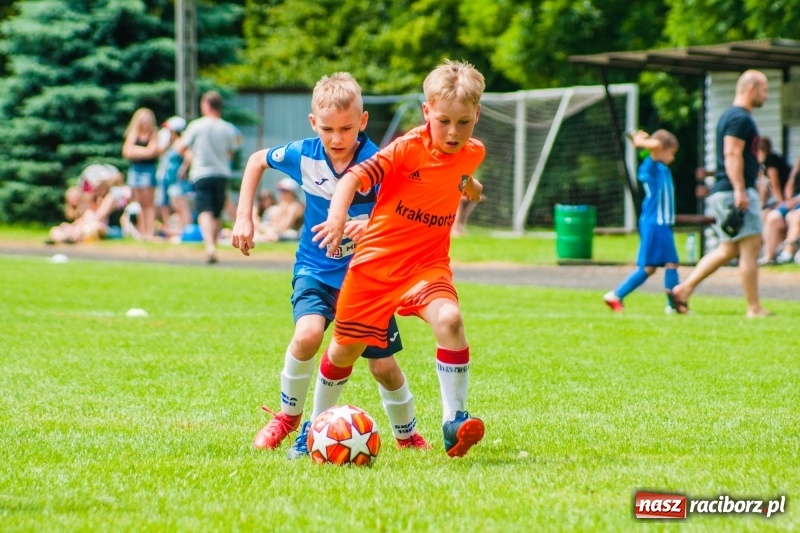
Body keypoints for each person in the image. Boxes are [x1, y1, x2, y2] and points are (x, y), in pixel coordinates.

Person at [231, 72, 430, 457]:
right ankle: (289, 419)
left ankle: (407, 436)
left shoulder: (380, 162)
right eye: (327, 129)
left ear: (363, 121)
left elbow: (406, 212)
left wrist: (370, 225)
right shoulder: (305, 155)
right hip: (315, 270)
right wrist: (244, 216)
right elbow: (256, 161)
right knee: (307, 335)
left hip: (368, 278)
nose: (337, 139)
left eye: (346, 129)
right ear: (312, 124)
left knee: (383, 367)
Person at [310, 60, 486, 458]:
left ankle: (454, 422)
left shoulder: (473, 151)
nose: (453, 132)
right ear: (427, 113)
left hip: (427, 266)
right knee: (343, 352)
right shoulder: (406, 150)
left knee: (451, 320)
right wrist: (338, 217)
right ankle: (313, 431)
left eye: (463, 122)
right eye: (443, 121)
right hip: (376, 267)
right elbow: (354, 177)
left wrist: (471, 187)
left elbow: (462, 174)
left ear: (477, 114)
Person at [667, 70, 771, 318]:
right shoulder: (739, 118)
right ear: (751, 89)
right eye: (764, 90)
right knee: (750, 246)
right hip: (735, 190)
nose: (766, 95)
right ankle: (754, 307)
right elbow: (732, 153)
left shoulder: (732, 116)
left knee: (728, 249)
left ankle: (682, 290)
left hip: (728, 190)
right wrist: (740, 190)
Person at [604, 129, 680, 313]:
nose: (673, 157)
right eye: (672, 153)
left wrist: (644, 141)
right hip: (656, 223)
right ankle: (674, 305)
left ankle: (616, 295)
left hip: (661, 224)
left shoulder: (662, 168)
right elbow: (656, 146)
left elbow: (656, 146)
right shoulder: (651, 166)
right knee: (669, 263)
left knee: (650, 267)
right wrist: (641, 141)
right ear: (662, 149)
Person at [175, 91, 239, 263]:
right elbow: (232, 152)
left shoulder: (197, 125)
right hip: (221, 173)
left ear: (207, 105)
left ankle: (209, 247)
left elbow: (181, 147)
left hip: (201, 172)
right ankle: (214, 247)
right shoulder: (228, 128)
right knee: (217, 212)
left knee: (205, 210)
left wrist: (191, 154)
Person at [122, 108, 161, 240]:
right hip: (136, 169)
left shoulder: (154, 133)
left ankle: (150, 232)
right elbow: (126, 151)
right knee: (139, 202)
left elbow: (152, 151)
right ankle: (142, 232)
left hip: (148, 169)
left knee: (149, 202)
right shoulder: (134, 132)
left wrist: (136, 151)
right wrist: (145, 151)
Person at [155, 116, 191, 238]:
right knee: (175, 205)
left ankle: (187, 230)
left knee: (181, 205)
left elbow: (189, 156)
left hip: (178, 181)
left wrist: (183, 169)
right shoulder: (172, 143)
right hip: (171, 180)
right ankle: (181, 230)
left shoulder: (180, 143)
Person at [253, 178, 305, 243]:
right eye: (280, 190)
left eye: (284, 191)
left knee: (273, 234)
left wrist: (269, 229)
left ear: (292, 192)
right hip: (279, 231)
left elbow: (286, 226)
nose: (281, 193)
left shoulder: (295, 206)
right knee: (263, 231)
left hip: (291, 233)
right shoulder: (283, 205)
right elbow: (276, 222)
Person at [756, 136, 791, 213]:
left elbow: (775, 184)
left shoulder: (770, 161)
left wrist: (781, 204)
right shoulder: (769, 161)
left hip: (786, 196)